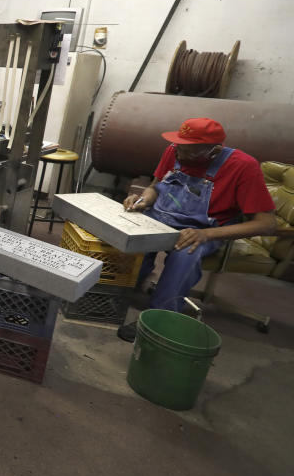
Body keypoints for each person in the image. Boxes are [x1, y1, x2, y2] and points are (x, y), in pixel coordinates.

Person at [115, 118, 275, 341]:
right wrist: (143, 199)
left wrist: (206, 234)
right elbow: (155, 186)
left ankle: (160, 319)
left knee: (185, 253)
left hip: (207, 227)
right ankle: (122, 288)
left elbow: (266, 224)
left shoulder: (243, 166)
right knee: (131, 232)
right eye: (179, 146)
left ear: (214, 150)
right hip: (163, 215)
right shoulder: (175, 150)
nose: (179, 155)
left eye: (189, 152)